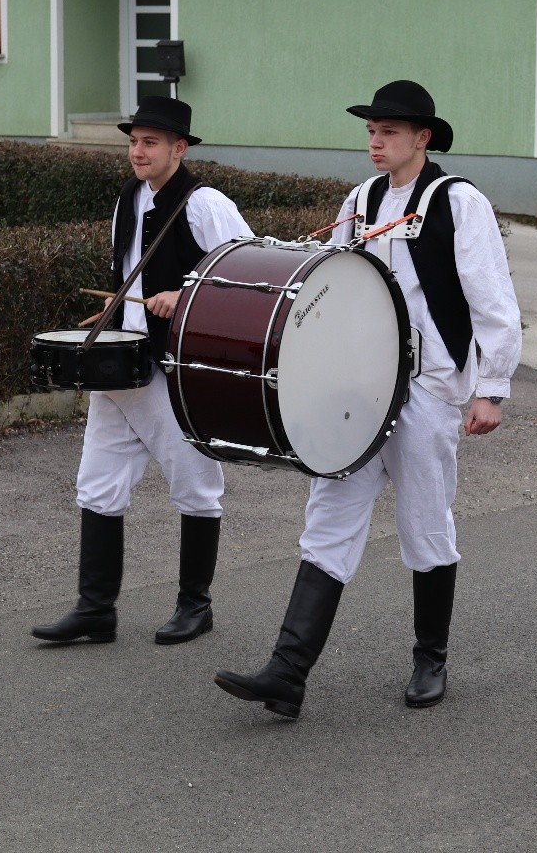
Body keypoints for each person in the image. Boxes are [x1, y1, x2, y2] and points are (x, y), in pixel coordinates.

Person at [213, 80, 521, 718]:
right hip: (362, 389)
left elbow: (494, 302)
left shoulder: (458, 202)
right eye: (371, 132)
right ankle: (288, 672)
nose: (376, 143)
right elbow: (329, 288)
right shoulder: (360, 201)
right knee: (329, 516)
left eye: (389, 133)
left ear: (422, 138)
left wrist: (491, 388)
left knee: (424, 524)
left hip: (431, 389)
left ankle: (430, 659)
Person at [31, 96, 250, 647]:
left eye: (150, 142)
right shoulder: (127, 197)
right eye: (133, 141)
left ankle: (195, 605)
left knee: (196, 486)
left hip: (176, 368)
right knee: (98, 485)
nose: (137, 151)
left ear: (180, 148)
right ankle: (95, 609)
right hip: (122, 365)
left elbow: (247, 278)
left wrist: (187, 294)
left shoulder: (205, 204)